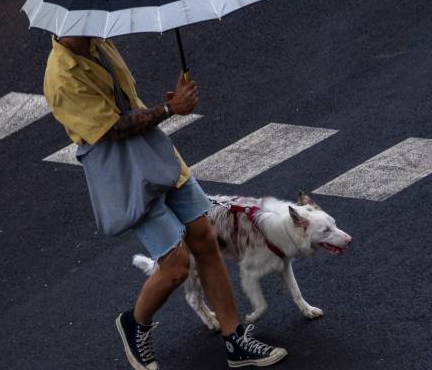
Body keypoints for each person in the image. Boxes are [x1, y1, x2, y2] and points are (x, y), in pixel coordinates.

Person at [43, 35, 287, 369]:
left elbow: (128, 100)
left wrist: (170, 102)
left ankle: (235, 340)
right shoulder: (61, 77)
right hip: (123, 174)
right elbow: (113, 129)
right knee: (175, 265)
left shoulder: (98, 43)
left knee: (205, 239)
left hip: (156, 154)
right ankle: (134, 323)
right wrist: (171, 109)